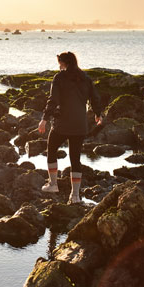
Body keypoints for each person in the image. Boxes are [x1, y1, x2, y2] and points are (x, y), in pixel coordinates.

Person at [38, 51, 104, 204]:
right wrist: (98, 113)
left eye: (59, 63)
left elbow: (52, 100)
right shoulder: (85, 78)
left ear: (64, 63)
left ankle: (53, 184)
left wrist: (44, 119)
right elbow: (95, 97)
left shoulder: (59, 77)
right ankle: (75, 196)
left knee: (52, 147)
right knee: (75, 158)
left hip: (62, 123)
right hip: (80, 125)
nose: (59, 66)